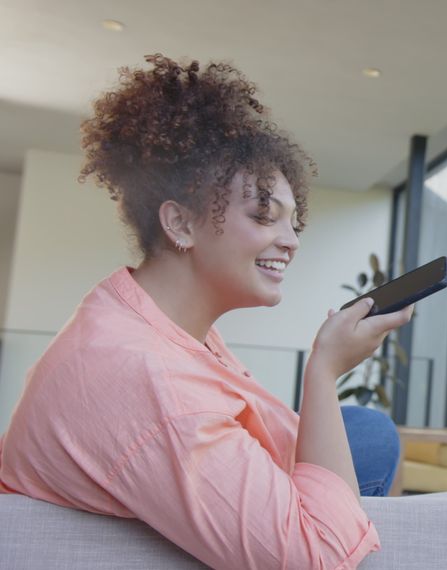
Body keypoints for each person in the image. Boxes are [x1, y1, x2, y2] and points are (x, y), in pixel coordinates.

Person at [0, 54, 411, 569]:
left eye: (294, 224)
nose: (290, 242)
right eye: (265, 216)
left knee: (365, 429)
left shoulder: (142, 317)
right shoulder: (148, 379)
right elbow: (316, 559)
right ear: (181, 223)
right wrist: (325, 370)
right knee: (371, 439)